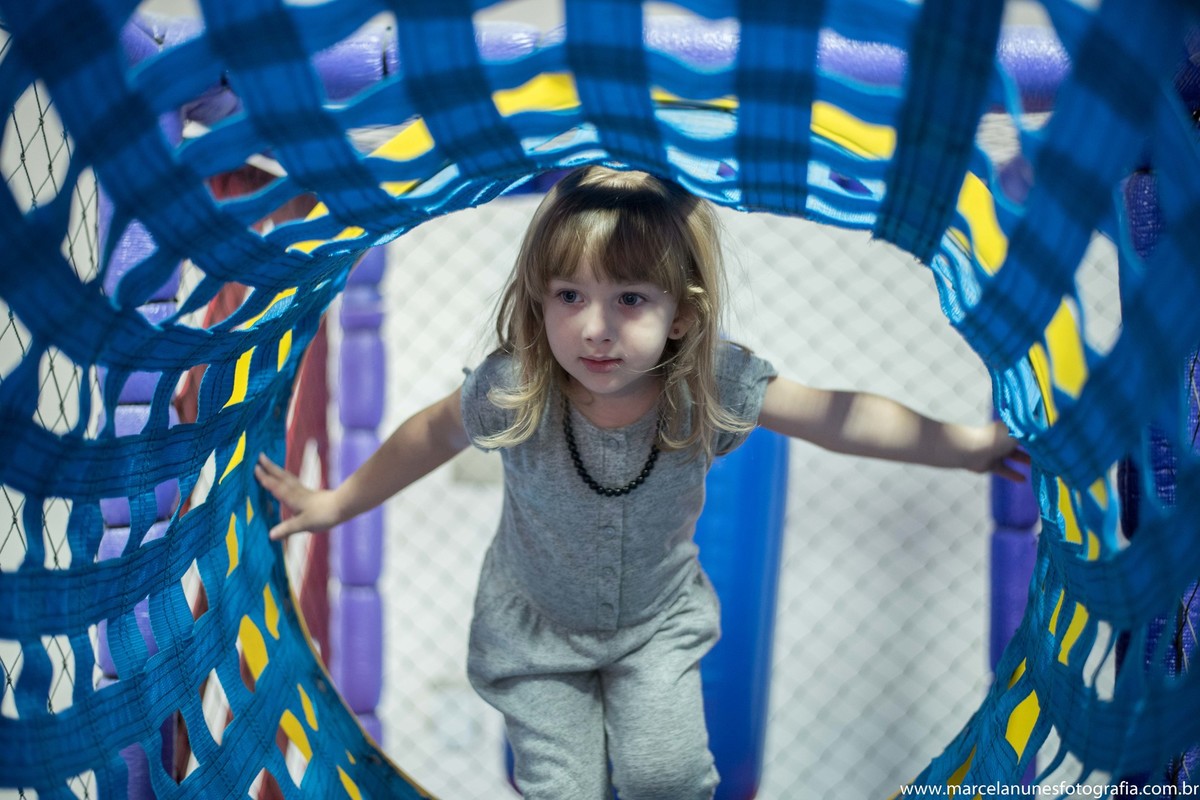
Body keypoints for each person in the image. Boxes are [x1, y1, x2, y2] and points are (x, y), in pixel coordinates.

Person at [255, 165, 1026, 800]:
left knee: (669, 778)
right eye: (570, 296)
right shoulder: (517, 388)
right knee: (565, 789)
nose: (595, 327)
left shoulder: (711, 386)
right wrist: (336, 502)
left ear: (681, 314)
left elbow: (838, 416)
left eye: (629, 299)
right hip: (534, 631)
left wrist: (966, 447)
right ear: (540, 300)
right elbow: (427, 435)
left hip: (655, 627)